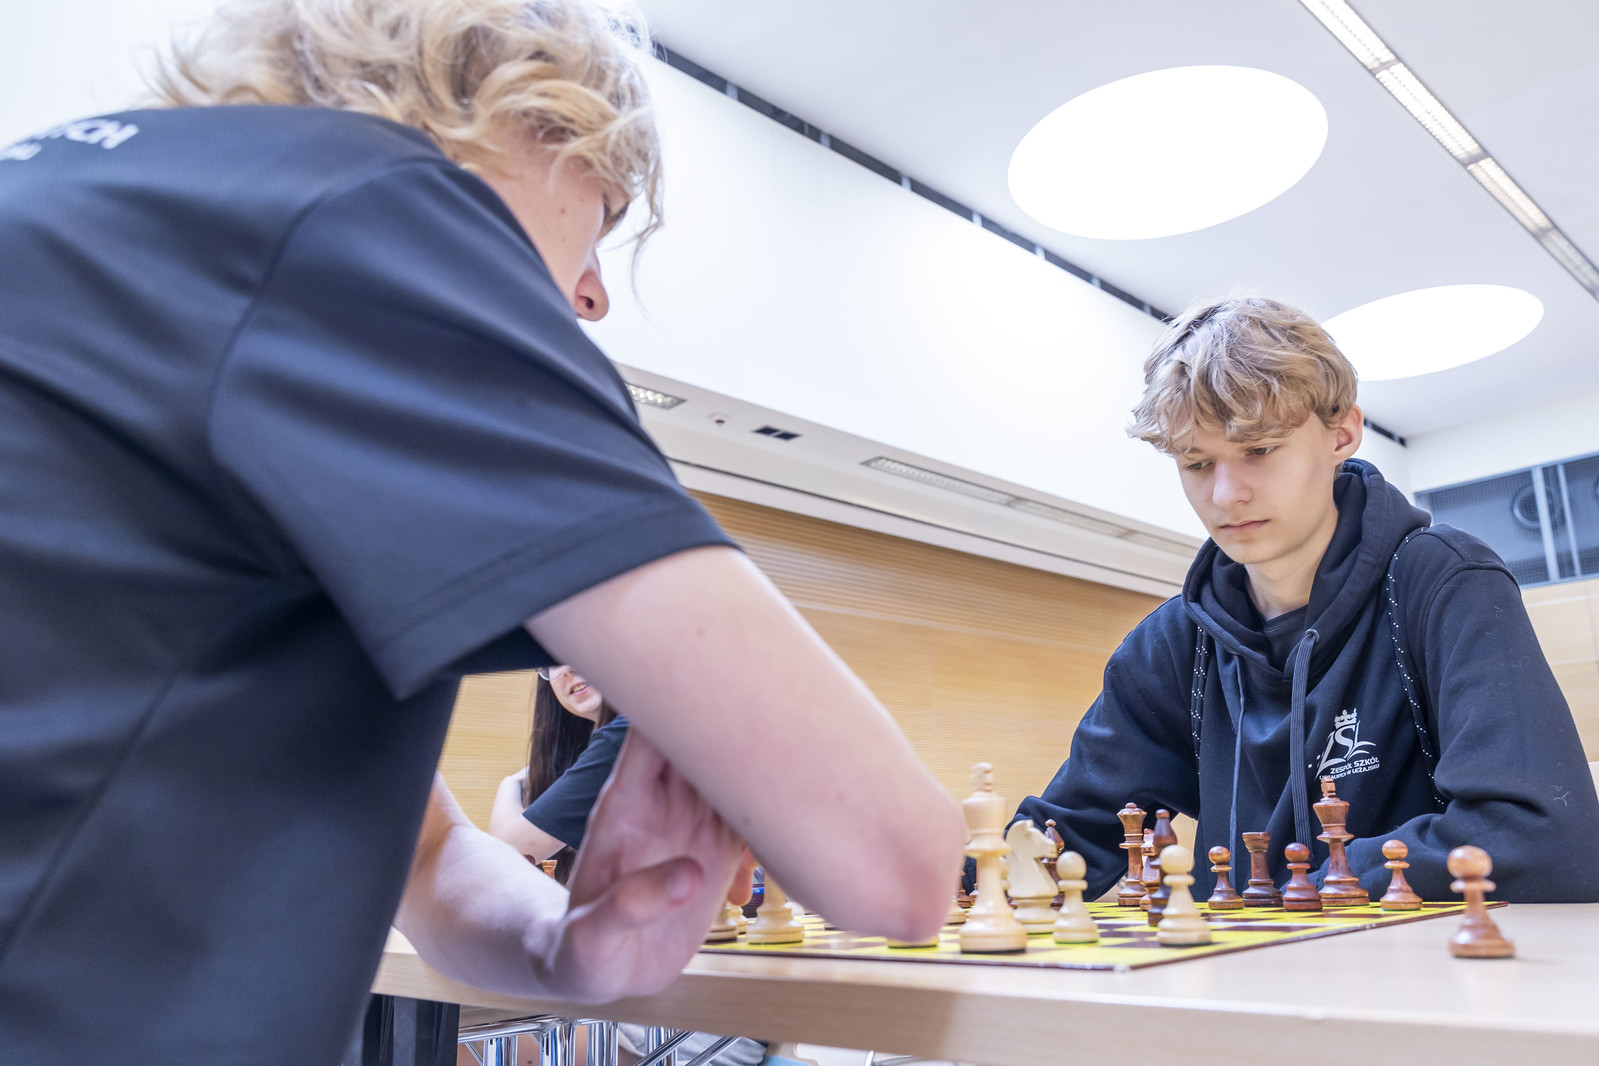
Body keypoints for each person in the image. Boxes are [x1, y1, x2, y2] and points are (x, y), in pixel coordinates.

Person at [0, 1, 965, 1060]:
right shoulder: (370, 218)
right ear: (525, 113)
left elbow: (423, 855)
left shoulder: (99, 213)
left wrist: (568, 945)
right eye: (600, 218)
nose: (590, 295)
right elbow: (897, 863)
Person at [1014, 296, 1599, 903]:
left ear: (1342, 433)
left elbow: (1542, 839)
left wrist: (1301, 895)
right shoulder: (1173, 644)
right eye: (1197, 462)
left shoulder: (1445, 581)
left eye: (1260, 450)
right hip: (1253, 961)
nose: (1226, 494)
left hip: (1417, 961)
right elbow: (1067, 834)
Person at [488, 664, 625, 877]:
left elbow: (504, 858)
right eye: (550, 662)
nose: (566, 669)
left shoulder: (623, 738)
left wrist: (509, 783)